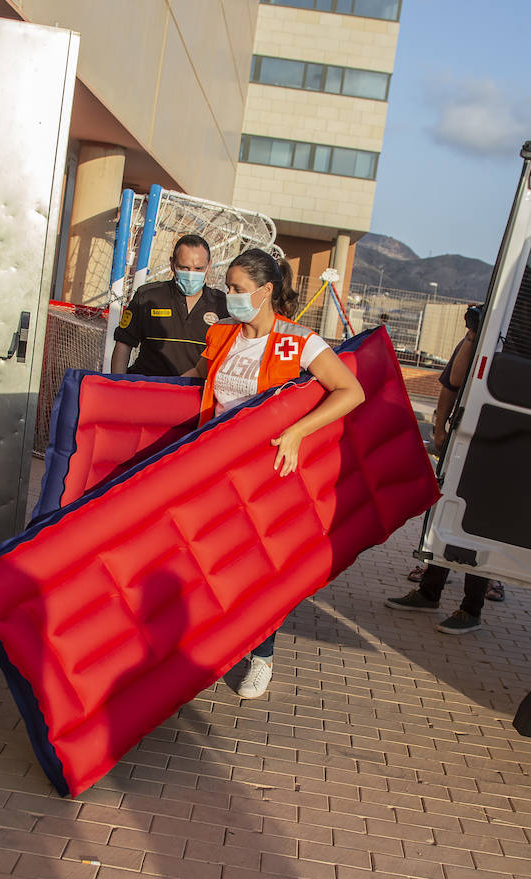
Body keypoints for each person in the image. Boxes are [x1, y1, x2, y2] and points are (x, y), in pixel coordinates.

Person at [183, 248, 365, 698]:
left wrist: (298, 431)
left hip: (265, 474)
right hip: (215, 468)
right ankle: (213, 648)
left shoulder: (296, 341)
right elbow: (197, 378)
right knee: (208, 564)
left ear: (265, 291)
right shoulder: (223, 335)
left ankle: (261, 655)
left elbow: (350, 390)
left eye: (238, 289)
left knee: (256, 571)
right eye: (228, 287)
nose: (229, 296)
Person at [388, 305, 497, 633]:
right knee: (441, 513)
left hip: (495, 449)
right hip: (461, 440)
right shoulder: (473, 344)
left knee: (479, 525)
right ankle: (429, 591)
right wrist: (472, 337)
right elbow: (452, 382)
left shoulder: (508, 350)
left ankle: (471, 607)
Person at [111, 234, 229, 375]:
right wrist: (118, 385)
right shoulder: (148, 296)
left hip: (193, 392)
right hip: (148, 387)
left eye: (198, 268)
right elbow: (124, 343)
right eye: (184, 268)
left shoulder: (221, 305)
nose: (191, 274)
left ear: (209, 266)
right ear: (172, 264)